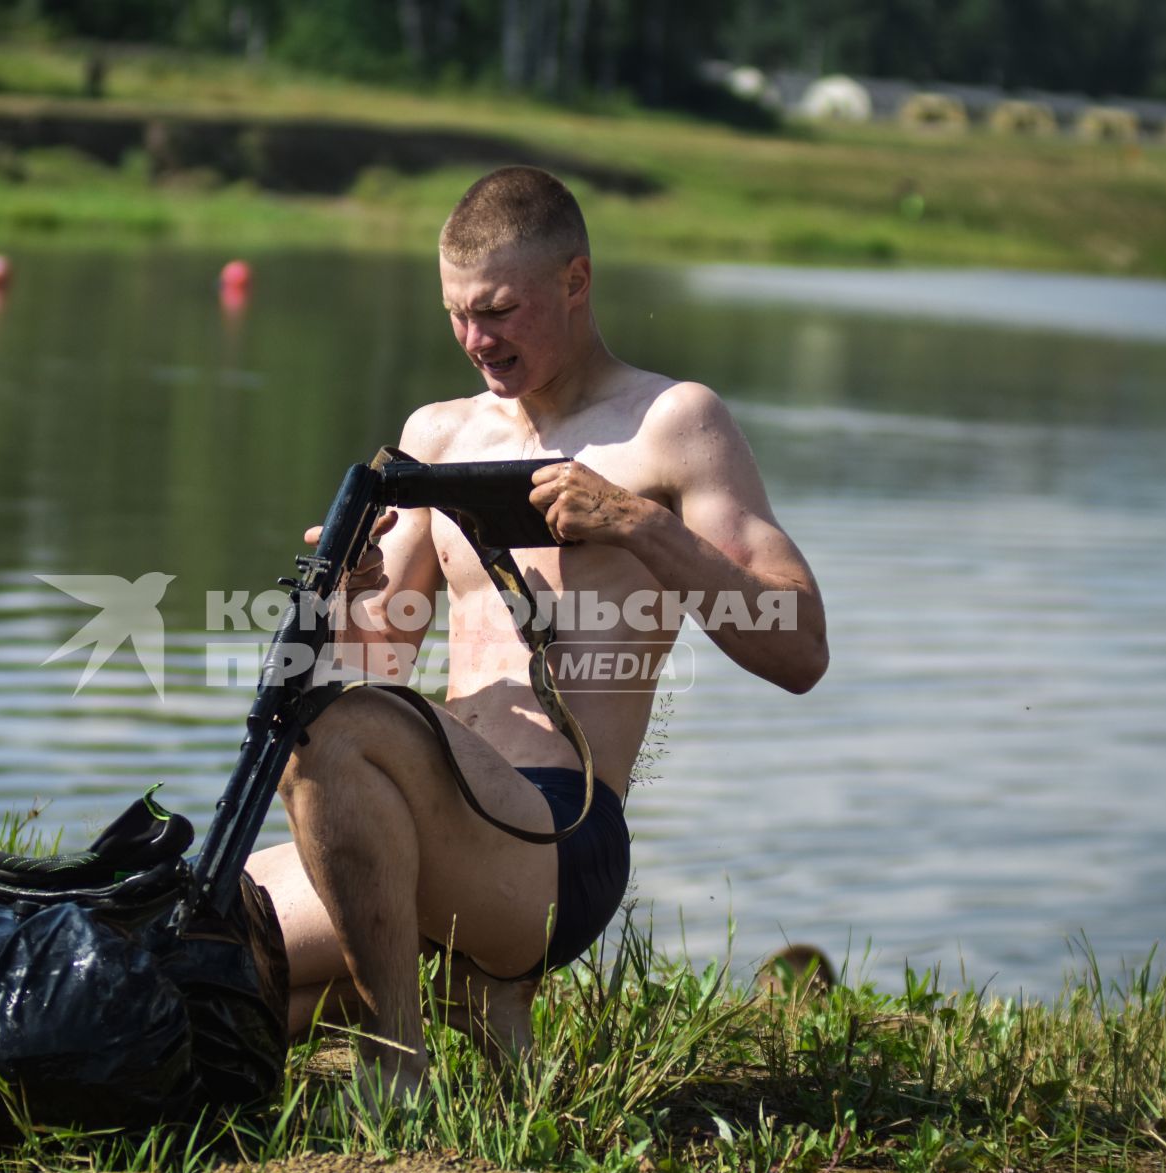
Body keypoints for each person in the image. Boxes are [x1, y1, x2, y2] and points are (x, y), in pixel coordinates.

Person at [247, 166, 828, 1102]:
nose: (478, 340)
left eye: (501, 311)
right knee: (209, 962)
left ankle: (398, 1070)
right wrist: (351, 595)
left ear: (576, 281)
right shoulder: (436, 436)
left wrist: (641, 525)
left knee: (336, 734)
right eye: (457, 315)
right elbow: (373, 666)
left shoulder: (672, 424)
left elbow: (800, 650)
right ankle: (472, 998)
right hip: (424, 825)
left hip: (560, 839)